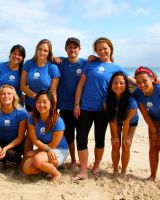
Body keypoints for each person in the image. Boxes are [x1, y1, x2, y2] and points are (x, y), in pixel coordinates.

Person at [73, 37, 133, 180]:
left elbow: (133, 82)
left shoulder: (117, 68)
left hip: (104, 109)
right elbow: (80, 86)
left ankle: (96, 166)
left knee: (100, 139)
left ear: (110, 48)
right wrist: (76, 104)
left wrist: (153, 80)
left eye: (105, 48)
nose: (102, 51)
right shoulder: (90, 64)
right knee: (81, 138)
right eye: (99, 49)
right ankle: (82, 170)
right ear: (95, 51)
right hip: (85, 108)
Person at [54, 37, 87, 170]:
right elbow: (47, 57)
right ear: (66, 49)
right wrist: (54, 57)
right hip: (65, 107)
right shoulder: (61, 62)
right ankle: (73, 160)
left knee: (81, 136)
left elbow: (99, 63)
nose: (72, 49)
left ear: (79, 49)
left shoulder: (85, 63)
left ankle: (83, 161)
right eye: (70, 47)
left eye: (75, 47)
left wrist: (93, 57)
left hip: (81, 106)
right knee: (69, 136)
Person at [23, 90, 68, 182]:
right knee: (27, 169)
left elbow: (53, 145)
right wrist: (41, 151)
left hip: (59, 149)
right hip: (45, 150)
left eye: (45, 102)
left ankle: (56, 173)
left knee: (37, 159)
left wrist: (36, 152)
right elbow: (34, 140)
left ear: (51, 104)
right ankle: (47, 168)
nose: (41, 105)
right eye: (38, 102)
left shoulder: (58, 121)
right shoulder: (32, 118)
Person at [106, 71, 138, 179]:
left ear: (126, 85)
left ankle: (123, 171)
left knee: (125, 144)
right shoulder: (107, 98)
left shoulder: (131, 101)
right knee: (115, 144)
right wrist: (114, 137)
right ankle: (115, 170)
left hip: (130, 122)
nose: (118, 86)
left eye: (121, 83)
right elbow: (112, 119)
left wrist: (125, 138)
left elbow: (127, 121)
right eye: (115, 83)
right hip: (115, 121)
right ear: (111, 84)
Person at [0, 85, 28, 167]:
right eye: (3, 94)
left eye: (9, 93)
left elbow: (20, 137)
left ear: (14, 96)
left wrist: (6, 148)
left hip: (16, 142)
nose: (6, 96)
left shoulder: (22, 112)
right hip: (1, 140)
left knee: (10, 153)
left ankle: (18, 161)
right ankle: (5, 160)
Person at [20, 39, 60, 112]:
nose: (42, 52)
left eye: (45, 50)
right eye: (40, 49)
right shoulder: (28, 63)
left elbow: (53, 92)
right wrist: (36, 97)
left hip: (45, 107)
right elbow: (22, 86)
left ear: (49, 53)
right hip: (30, 105)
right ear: (36, 50)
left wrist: (53, 109)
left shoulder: (53, 67)